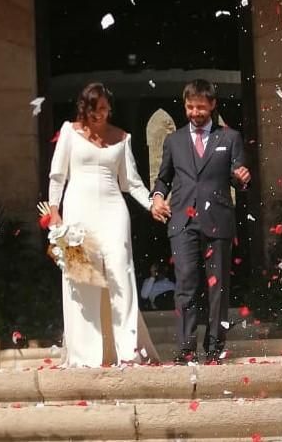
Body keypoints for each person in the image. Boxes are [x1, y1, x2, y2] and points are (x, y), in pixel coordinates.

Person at [48, 82, 157, 367]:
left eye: (106, 110)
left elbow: (131, 182)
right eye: (97, 111)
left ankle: (128, 350)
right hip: (77, 212)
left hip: (113, 210)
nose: (102, 116)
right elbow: (57, 175)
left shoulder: (122, 138)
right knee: (83, 278)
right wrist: (54, 211)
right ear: (85, 109)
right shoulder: (69, 132)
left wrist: (152, 203)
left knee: (121, 270)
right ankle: (85, 355)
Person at [150, 79, 251, 365]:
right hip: (182, 220)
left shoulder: (230, 138)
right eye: (190, 107)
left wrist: (242, 178)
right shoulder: (174, 140)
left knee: (217, 287)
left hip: (218, 219)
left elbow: (238, 174)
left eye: (201, 107)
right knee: (186, 284)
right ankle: (185, 347)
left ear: (212, 105)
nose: (195, 113)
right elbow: (163, 178)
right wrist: (157, 198)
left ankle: (215, 346)